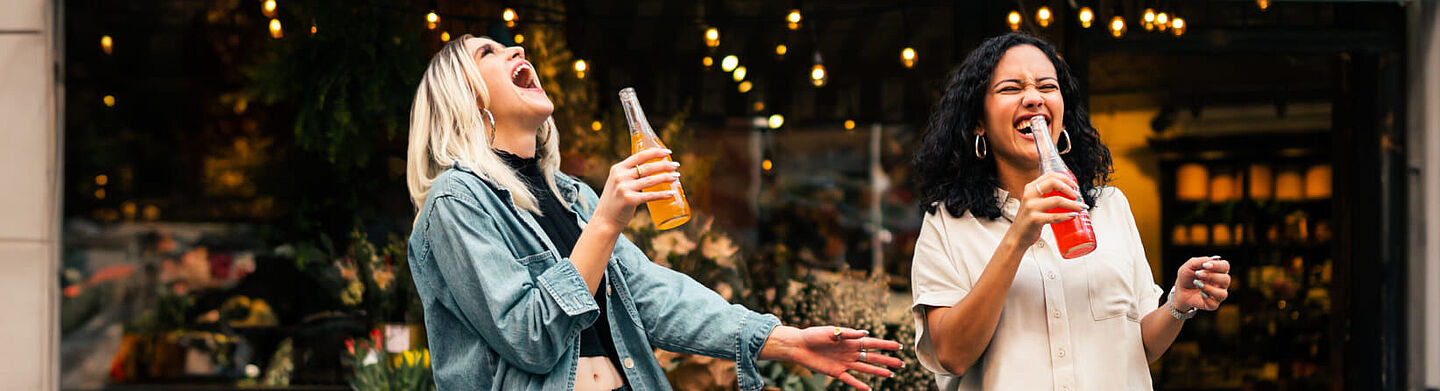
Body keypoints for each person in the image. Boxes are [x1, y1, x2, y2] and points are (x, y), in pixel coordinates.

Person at [404, 35, 904, 391]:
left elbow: (654, 297)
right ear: (464, 96)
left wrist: (783, 341)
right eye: (487, 52)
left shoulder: (571, 195)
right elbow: (528, 337)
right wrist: (606, 223)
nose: (516, 49)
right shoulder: (457, 201)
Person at [908, 33, 1233, 390]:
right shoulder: (949, 222)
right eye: (1010, 88)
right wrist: (1017, 239)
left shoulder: (1110, 207)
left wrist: (1177, 304)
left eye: (1047, 86)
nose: (1033, 98)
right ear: (978, 122)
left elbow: (1139, 345)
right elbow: (952, 355)